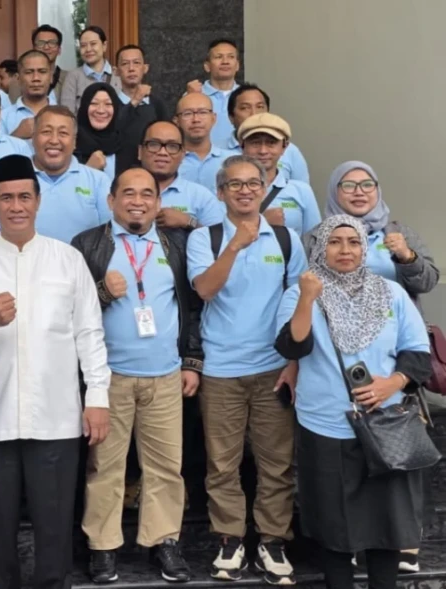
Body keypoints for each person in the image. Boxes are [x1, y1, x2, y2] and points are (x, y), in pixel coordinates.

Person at [0, 153, 111, 589]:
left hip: (55, 418)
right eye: (6, 198)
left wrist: (97, 399)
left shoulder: (67, 260)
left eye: (24, 197)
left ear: (37, 201)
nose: (16, 206)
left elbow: (89, 334)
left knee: (54, 529)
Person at [275, 214, 431, 589]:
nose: (345, 250)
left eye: (354, 242)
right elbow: (292, 346)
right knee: (333, 523)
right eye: (335, 241)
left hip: (384, 423)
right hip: (326, 423)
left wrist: (390, 383)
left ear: (364, 248)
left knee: (387, 523)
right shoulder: (301, 292)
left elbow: (418, 354)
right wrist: (309, 298)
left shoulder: (390, 292)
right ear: (320, 247)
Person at [71, 167, 202, 583]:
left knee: (166, 467)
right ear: (111, 200)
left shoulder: (175, 245)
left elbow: (191, 307)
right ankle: (103, 547)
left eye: (148, 194)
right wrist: (103, 291)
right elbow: (67, 310)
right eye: (128, 193)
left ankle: (163, 541)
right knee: (104, 468)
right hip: (108, 378)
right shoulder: (88, 244)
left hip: (165, 376)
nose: (138, 201)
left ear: (158, 203)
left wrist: (191, 361)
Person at [186, 155, 307, 584]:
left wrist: (294, 362)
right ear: (221, 192)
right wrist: (236, 244)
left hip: (273, 367)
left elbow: (299, 306)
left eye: (253, 183)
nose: (244, 190)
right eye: (234, 184)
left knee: (277, 463)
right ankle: (229, 539)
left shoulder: (288, 239)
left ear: (262, 189)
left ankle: (273, 541)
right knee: (223, 463)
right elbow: (204, 289)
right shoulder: (206, 238)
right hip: (220, 370)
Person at [309, 161, 439, 306]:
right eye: (349, 186)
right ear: (334, 191)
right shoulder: (316, 238)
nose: (359, 192)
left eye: (367, 185)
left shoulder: (400, 233)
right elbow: (304, 290)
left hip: (397, 324)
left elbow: (427, 284)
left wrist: (407, 257)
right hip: (336, 325)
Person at [7, 106, 111, 243]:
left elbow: (110, 235)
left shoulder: (98, 181)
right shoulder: (11, 180)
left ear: (74, 142)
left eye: (63, 133)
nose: (54, 140)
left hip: (81, 263)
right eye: (46, 132)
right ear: (33, 138)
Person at [236, 113, 320, 235]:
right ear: (242, 146)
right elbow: (221, 238)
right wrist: (263, 221)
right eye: (255, 143)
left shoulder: (301, 191)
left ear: (284, 147)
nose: (263, 151)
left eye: (271, 143)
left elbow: (313, 241)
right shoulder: (231, 189)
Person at [139, 121, 225, 229]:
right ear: (140, 151)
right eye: (154, 145)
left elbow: (220, 241)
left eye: (172, 146)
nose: (163, 152)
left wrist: (189, 222)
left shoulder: (200, 196)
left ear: (183, 155)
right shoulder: (121, 192)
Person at [223, 84, 310, 184]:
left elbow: (301, 190)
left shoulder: (290, 151)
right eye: (245, 108)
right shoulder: (218, 152)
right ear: (231, 117)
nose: (254, 114)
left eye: (260, 107)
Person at [74, 82, 139, 178]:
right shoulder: (71, 146)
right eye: (94, 103)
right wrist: (89, 169)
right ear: (84, 107)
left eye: (108, 104)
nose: (100, 110)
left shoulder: (128, 147)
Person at [185, 39, 240, 148]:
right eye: (219, 57)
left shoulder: (244, 96)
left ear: (237, 65)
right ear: (207, 66)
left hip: (239, 160)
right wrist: (191, 98)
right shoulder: (194, 94)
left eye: (231, 57)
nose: (225, 61)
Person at [59, 26, 121, 114]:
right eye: (83, 45)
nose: (88, 49)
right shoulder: (73, 76)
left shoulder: (118, 74)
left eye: (93, 44)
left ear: (104, 46)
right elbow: (67, 114)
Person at [176, 92, 228, 193]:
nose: (196, 119)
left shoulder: (232, 160)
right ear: (177, 121)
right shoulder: (168, 161)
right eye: (188, 114)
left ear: (214, 118)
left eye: (203, 112)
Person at [1, 50, 57, 139]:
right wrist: (16, 135)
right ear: (18, 78)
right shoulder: (3, 117)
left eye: (42, 71)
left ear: (51, 77)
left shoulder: (65, 116)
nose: (36, 78)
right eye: (29, 72)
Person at [32, 24, 68, 94]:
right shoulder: (20, 79)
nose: (46, 47)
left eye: (52, 43)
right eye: (41, 43)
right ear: (33, 49)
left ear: (59, 50)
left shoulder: (70, 78)